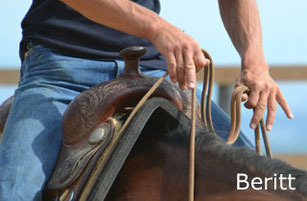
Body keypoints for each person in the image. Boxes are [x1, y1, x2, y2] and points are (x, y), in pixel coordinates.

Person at [0, 0, 293, 200]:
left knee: (263, 183)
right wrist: (158, 28)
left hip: (151, 71)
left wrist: (254, 62)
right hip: (61, 69)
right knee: (17, 191)